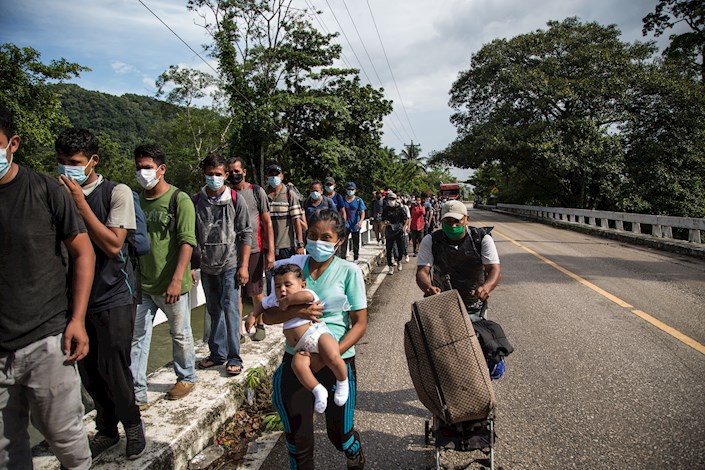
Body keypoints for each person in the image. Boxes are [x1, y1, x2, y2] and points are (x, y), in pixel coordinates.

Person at [0, 104, 94, 469]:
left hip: (46, 340)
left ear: (14, 144)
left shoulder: (44, 191)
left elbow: (85, 252)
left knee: (66, 438)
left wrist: (78, 319)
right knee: (7, 451)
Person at [55, 128, 146, 461]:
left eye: (75, 162)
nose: (67, 169)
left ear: (93, 161)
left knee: (114, 366)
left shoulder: (115, 192)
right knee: (88, 371)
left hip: (114, 293)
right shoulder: (56, 192)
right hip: (76, 297)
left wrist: (80, 203)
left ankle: (133, 426)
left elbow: (112, 243)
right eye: (62, 162)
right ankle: (107, 429)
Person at [262, 209, 367, 470]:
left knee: (339, 434)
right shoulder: (292, 268)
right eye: (312, 235)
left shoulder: (349, 272)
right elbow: (269, 316)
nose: (317, 242)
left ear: (339, 241)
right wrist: (298, 311)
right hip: (297, 360)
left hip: (336, 361)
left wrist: (329, 357)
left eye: (326, 237)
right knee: (299, 440)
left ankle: (353, 450)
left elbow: (360, 324)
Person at [130, 144, 198, 404]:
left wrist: (175, 280)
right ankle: (136, 392)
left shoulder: (178, 200)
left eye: (147, 167)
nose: (142, 172)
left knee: (180, 333)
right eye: (139, 168)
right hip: (143, 285)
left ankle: (186, 377)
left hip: (172, 285)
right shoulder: (136, 200)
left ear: (161, 169)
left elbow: (186, 242)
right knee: (137, 337)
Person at [245, 264, 349, 414]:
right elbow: (261, 305)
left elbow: (307, 297)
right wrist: (253, 315)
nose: (282, 290)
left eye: (288, 285)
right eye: (278, 286)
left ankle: (342, 381)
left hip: (318, 335)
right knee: (298, 365)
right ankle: (318, 390)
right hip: (301, 348)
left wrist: (288, 301)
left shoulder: (306, 293)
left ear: (302, 284)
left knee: (332, 355)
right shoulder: (276, 299)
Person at [193, 154, 252, 375]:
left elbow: (246, 234)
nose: (214, 178)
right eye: (210, 174)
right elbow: (190, 237)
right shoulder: (196, 201)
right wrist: (192, 266)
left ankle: (234, 356)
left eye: (218, 174)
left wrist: (244, 266)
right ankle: (216, 353)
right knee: (213, 309)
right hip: (207, 265)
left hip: (230, 263)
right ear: (204, 175)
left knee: (231, 308)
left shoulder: (236, 200)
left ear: (226, 176)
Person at [415, 200, 501, 321]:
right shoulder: (431, 240)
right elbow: (422, 271)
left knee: (476, 339)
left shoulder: (481, 239)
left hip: (474, 307)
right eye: (448, 221)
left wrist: (486, 287)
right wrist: (428, 288)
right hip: (443, 305)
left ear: (466, 219)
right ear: (441, 220)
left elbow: (493, 269)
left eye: (457, 221)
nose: (453, 225)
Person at [228, 157, 274, 342]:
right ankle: (238, 331)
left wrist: (270, 251)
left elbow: (267, 222)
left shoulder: (256, 192)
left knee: (256, 290)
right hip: (231, 251)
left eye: (237, 171)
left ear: (244, 172)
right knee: (235, 292)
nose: (234, 175)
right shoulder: (226, 194)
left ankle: (260, 324)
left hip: (254, 248)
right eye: (230, 172)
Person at [382, 192, 407, 275]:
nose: (391, 201)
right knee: (389, 249)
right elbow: (383, 219)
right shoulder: (386, 209)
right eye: (390, 199)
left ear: (396, 200)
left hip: (398, 230)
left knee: (400, 248)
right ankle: (390, 267)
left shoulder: (400, 208)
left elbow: (406, 218)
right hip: (389, 231)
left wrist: (404, 227)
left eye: (393, 199)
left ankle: (399, 261)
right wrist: (385, 222)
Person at [340, 182, 366, 261]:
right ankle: (343, 258)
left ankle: (356, 258)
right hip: (346, 224)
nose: (350, 191)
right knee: (344, 241)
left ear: (355, 190)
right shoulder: (342, 200)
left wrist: (361, 221)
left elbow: (362, 212)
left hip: (355, 224)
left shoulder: (358, 200)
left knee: (355, 242)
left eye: (352, 189)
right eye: (348, 189)